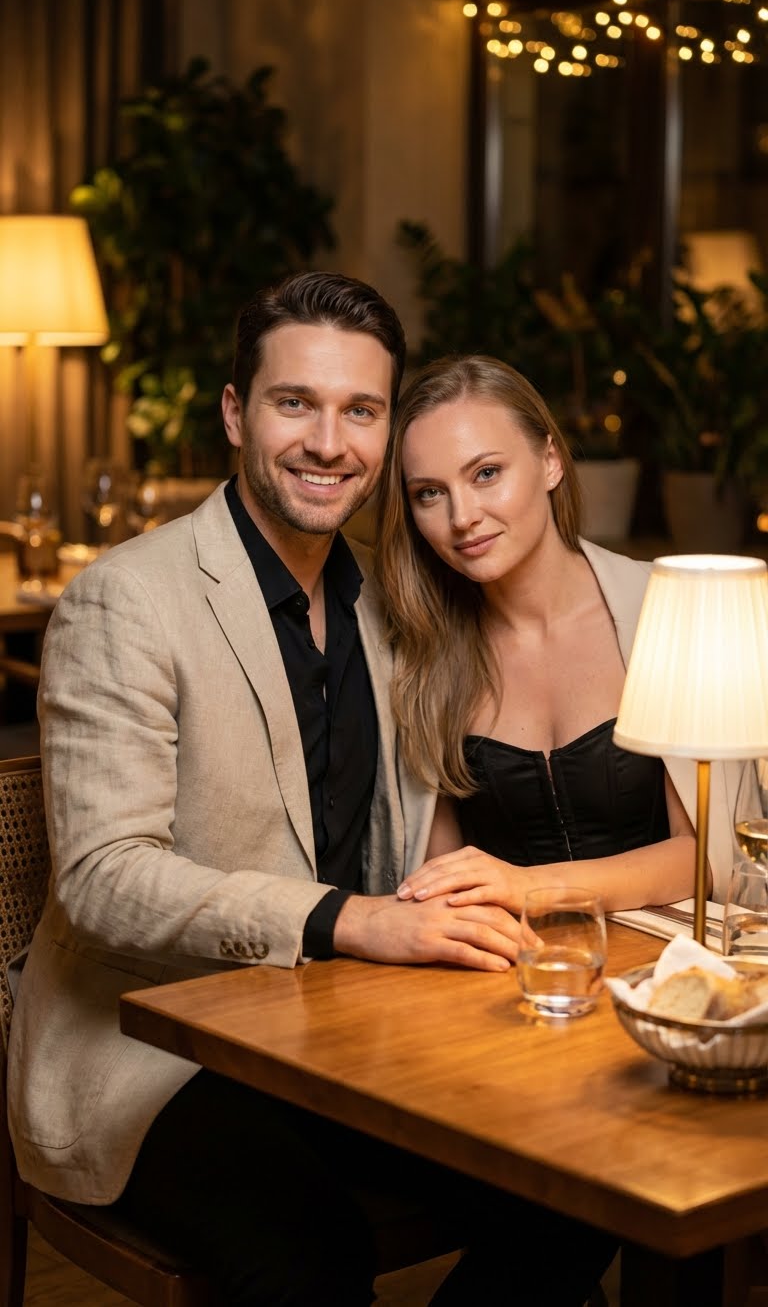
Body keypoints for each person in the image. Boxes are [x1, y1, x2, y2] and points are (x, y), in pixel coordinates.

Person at [8, 277, 590, 1307]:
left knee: (574, 1176)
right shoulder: (125, 601)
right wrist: (348, 920)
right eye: (295, 403)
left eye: (361, 410)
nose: (329, 442)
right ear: (237, 413)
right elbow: (102, 880)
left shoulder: (392, 599)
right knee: (311, 1253)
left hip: (341, 1037)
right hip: (150, 1051)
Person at [376, 354, 737, 920]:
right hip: (507, 962)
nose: (462, 516)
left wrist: (529, 887)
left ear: (550, 461)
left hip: (660, 960)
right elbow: (441, 879)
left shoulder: (666, 612)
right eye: (429, 493)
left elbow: (706, 857)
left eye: (486, 474)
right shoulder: (421, 652)